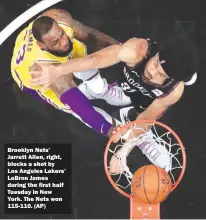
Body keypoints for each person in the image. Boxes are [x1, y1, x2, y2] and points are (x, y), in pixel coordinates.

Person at [29, 36, 199, 171]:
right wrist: (56, 71)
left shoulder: (173, 91)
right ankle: (104, 92)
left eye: (160, 74)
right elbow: (94, 59)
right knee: (85, 78)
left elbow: (146, 118)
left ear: (170, 79)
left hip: (144, 102)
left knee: (129, 131)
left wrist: (121, 153)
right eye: (155, 62)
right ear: (156, 54)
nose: (151, 70)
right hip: (125, 87)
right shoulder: (136, 50)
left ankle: (141, 137)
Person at [11, 9, 132, 140]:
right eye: (55, 42)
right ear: (42, 46)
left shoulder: (61, 19)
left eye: (62, 35)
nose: (63, 42)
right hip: (31, 78)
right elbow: (79, 106)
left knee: (84, 54)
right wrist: (106, 128)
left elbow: (92, 36)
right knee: (76, 107)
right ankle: (129, 136)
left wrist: (127, 51)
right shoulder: (42, 71)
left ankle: (101, 90)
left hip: (43, 48)